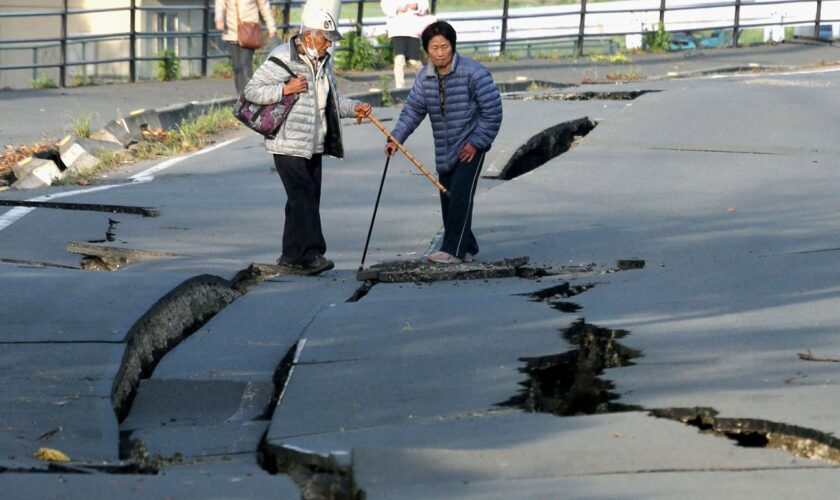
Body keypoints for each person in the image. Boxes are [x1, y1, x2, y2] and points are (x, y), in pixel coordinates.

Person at [244, 9, 372, 275]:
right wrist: (285, 89)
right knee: (303, 196)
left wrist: (355, 107)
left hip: (314, 142)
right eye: (326, 38)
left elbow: (332, 102)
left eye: (331, 39)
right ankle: (313, 253)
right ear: (309, 35)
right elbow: (252, 91)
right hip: (287, 142)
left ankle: (291, 255)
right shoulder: (282, 57)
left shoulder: (323, 63)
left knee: (303, 198)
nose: (329, 44)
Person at [385, 21, 502, 264]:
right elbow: (412, 112)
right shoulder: (424, 78)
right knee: (448, 196)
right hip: (445, 148)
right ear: (426, 50)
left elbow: (492, 112)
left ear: (453, 46)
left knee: (460, 194)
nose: (440, 53)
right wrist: (395, 138)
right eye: (434, 48)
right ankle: (467, 245)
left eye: (444, 47)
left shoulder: (474, 72)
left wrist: (477, 142)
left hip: (471, 146)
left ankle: (452, 251)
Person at [215, 0, 277, 93]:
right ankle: (240, 95)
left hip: (249, 31)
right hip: (231, 31)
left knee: (245, 65)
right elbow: (220, 4)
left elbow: (264, 6)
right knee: (237, 67)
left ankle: (248, 95)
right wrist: (219, 19)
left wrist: (271, 27)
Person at [380, 0, 431, 89]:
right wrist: (397, 9)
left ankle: (425, 82)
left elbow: (424, 4)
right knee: (399, 57)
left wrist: (416, 6)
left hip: (413, 28)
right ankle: (399, 86)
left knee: (414, 60)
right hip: (397, 28)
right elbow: (385, 4)